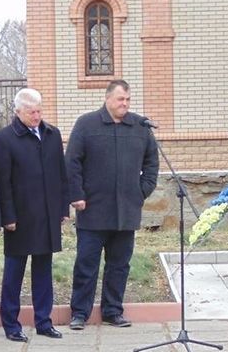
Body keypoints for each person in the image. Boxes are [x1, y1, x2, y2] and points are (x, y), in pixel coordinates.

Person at [65, 79, 159, 330]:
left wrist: (140, 192)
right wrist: (77, 195)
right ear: (107, 99)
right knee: (86, 265)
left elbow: (152, 163)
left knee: (119, 265)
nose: (125, 104)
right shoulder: (86, 124)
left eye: (128, 99)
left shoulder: (140, 126)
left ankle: (113, 311)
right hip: (92, 210)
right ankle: (79, 313)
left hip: (126, 211)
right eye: (120, 99)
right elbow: (72, 162)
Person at [0, 88, 68, 342]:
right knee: (14, 273)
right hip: (20, 217)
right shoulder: (4, 138)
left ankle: (44, 321)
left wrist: (62, 208)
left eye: (39, 111)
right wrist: (7, 216)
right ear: (18, 112)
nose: (36, 116)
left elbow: (60, 173)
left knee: (43, 271)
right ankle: (11, 325)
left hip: (47, 214)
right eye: (31, 112)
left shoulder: (52, 134)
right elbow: (2, 181)